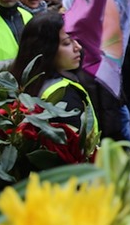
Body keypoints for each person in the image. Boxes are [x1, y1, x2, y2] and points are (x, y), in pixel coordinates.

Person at [10, 12, 100, 158]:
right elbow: (77, 151)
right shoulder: (64, 94)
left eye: (75, 40)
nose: (77, 47)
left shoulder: (18, 83)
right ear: (45, 48)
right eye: (66, 43)